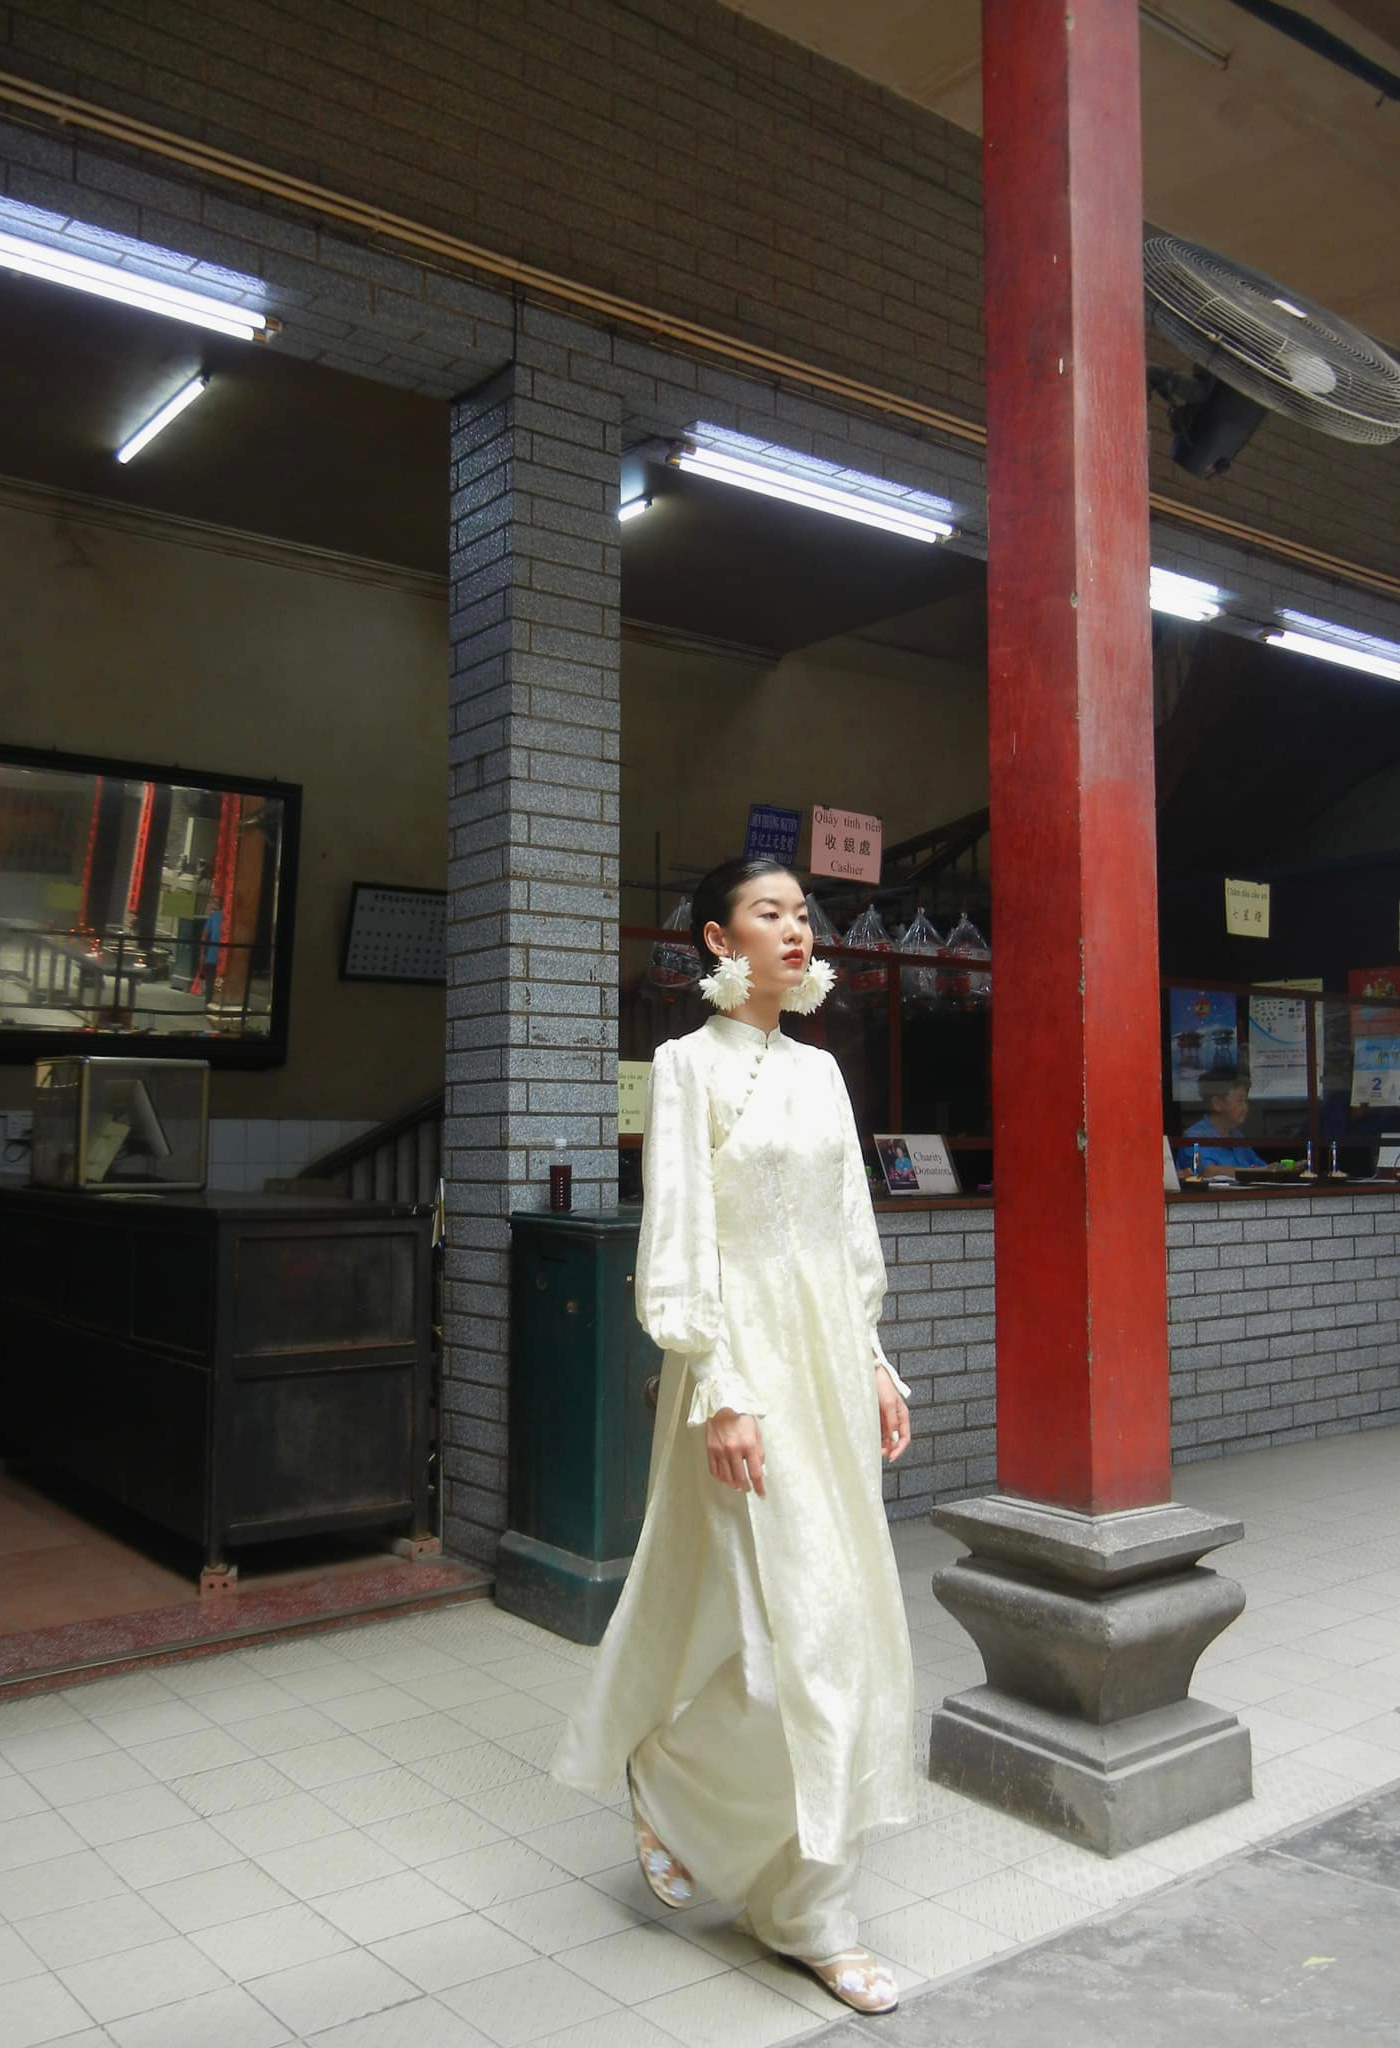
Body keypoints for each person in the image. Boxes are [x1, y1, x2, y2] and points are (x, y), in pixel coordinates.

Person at [553, 856, 916, 2015]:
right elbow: (678, 1238)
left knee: (845, 1622)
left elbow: (847, 1229)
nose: (794, 929)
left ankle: (784, 1879)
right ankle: (742, 1845)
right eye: (770, 912)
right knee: (789, 1639)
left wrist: (871, 1357)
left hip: (822, 1368)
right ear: (719, 939)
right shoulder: (683, 1068)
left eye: (803, 914)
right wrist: (718, 1384)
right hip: (742, 1367)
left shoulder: (819, 1074)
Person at [1176, 1069, 1266, 1175]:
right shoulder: (1193, 1138)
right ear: (1217, 1103)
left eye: (1246, 1101)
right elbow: (1207, 1171)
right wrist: (1254, 1172)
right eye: (1240, 1100)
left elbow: (1259, 1166)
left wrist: (1273, 1169)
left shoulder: (1237, 1136)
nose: (1245, 1107)